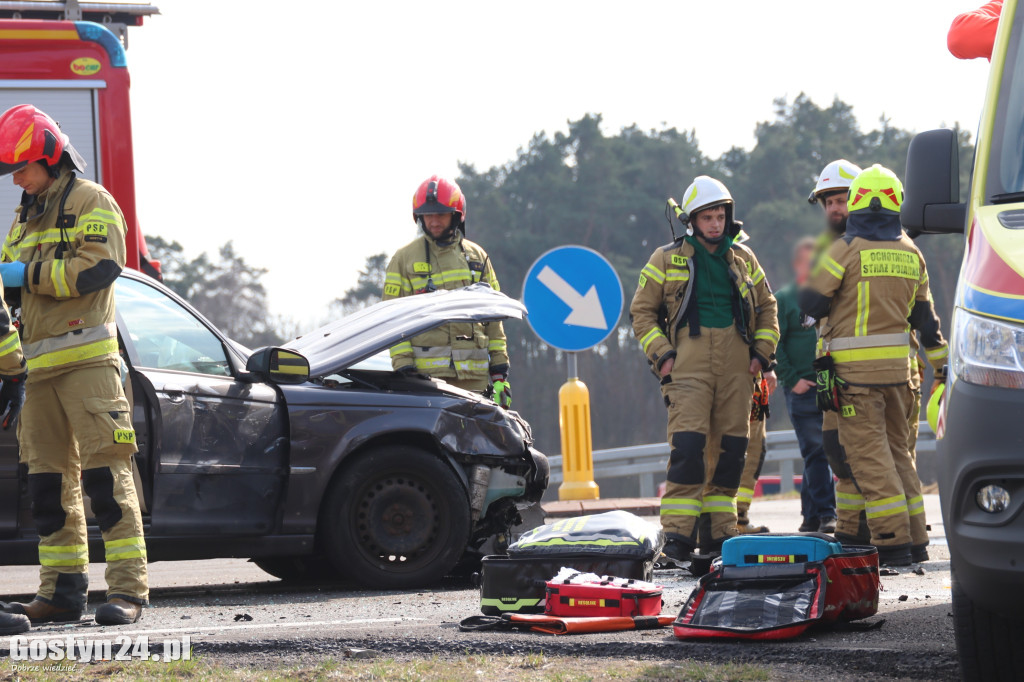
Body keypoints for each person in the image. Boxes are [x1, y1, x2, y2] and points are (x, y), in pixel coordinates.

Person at [0, 105, 148, 625]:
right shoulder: (26, 215)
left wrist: (26, 274)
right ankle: (61, 593)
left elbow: (100, 268)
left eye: (21, 167)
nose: (15, 179)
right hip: (39, 372)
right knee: (47, 488)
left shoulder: (92, 200)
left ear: (47, 154)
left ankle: (128, 593)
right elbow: (13, 295)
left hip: (88, 366)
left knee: (108, 478)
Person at [799, 165, 947, 566]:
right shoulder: (911, 252)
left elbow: (810, 304)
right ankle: (917, 541)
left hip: (856, 381)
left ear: (858, 201)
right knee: (900, 456)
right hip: (902, 378)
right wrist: (942, 369)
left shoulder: (844, 249)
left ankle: (893, 543)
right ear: (898, 201)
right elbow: (927, 323)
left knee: (870, 460)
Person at [631, 176, 778, 565]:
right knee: (689, 449)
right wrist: (664, 357)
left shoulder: (745, 260)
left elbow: (768, 308)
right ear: (691, 220)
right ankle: (678, 537)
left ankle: (720, 533)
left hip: (737, 367)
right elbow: (642, 313)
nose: (715, 224)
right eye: (707, 217)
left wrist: (761, 355)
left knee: (732, 451)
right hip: (689, 365)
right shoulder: (665, 258)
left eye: (720, 216)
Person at [382, 175, 510, 404]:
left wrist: (499, 373)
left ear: (457, 215)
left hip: (475, 382)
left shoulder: (478, 258)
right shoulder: (403, 259)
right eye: (427, 215)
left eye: (440, 214)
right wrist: (403, 365)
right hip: (425, 383)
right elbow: (391, 319)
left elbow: (494, 319)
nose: (433, 221)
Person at [807, 159, 869, 544]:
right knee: (837, 450)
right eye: (828, 201)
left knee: (873, 453)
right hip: (834, 368)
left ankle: (889, 536)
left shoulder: (879, 243)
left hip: (872, 371)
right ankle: (850, 531)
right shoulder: (825, 249)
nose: (834, 208)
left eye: (841, 198)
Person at [775, 236, 836, 533]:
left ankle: (810, 518)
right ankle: (827, 514)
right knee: (816, 450)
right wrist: (791, 380)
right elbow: (775, 342)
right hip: (799, 389)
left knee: (820, 450)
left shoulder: (827, 295)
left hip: (826, 384)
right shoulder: (785, 298)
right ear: (797, 265)